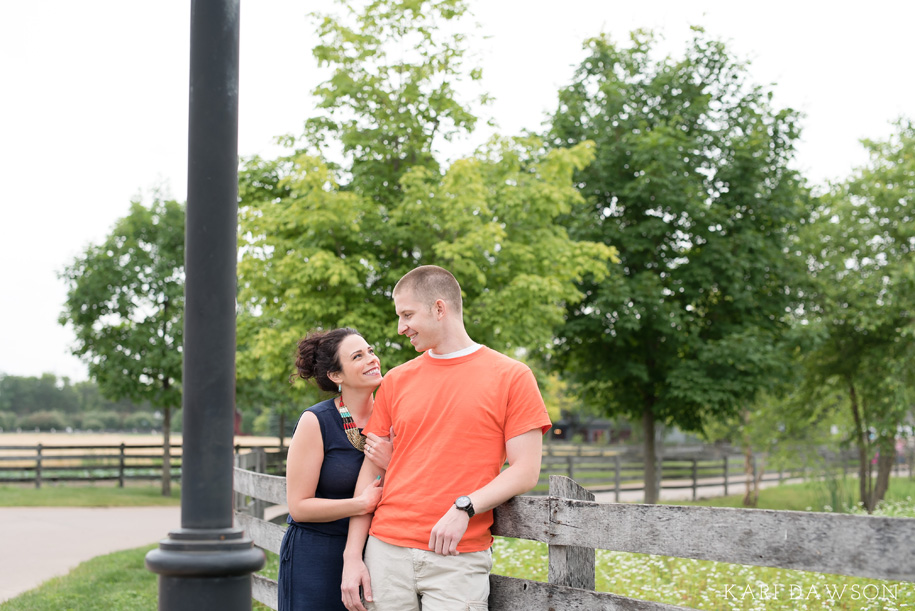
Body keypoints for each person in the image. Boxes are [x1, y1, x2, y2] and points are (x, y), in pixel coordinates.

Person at [341, 266, 552, 611]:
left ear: (439, 308)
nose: (401, 327)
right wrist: (352, 557)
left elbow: (525, 470)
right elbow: (370, 473)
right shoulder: (396, 380)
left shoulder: (512, 376)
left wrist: (465, 508)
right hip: (385, 550)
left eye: (407, 314)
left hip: (458, 556)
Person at [278, 328, 394, 611]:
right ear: (336, 376)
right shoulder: (315, 422)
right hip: (316, 554)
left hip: (376, 552)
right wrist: (359, 504)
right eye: (358, 356)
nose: (372, 360)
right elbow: (299, 506)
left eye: (371, 351)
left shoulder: (393, 420)